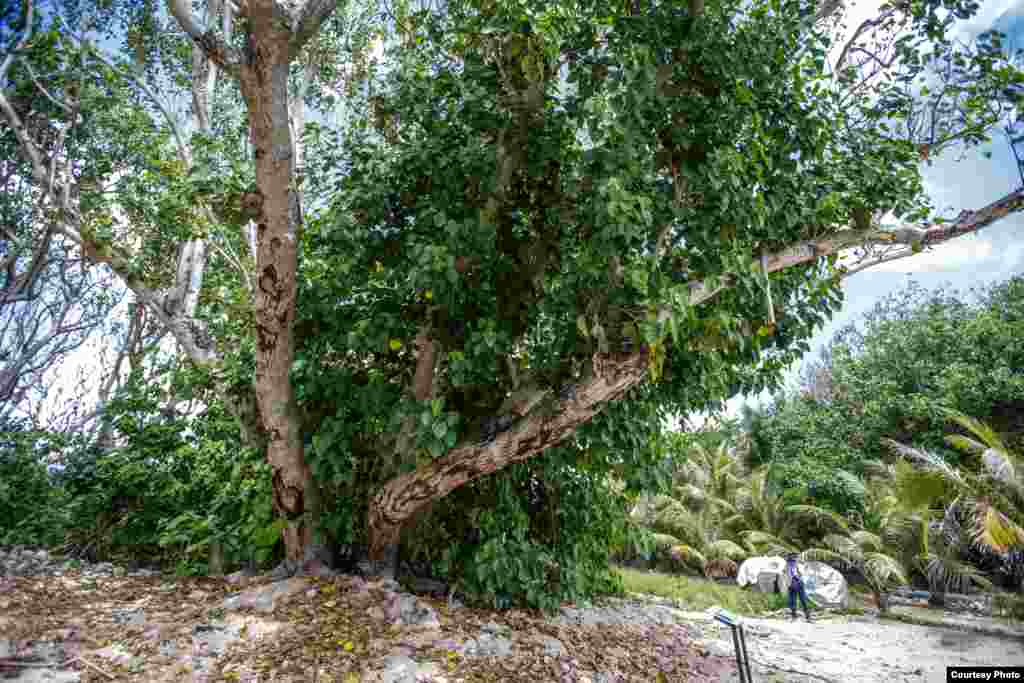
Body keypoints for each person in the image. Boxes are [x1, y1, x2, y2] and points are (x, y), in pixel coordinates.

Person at [786, 552, 813, 622]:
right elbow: (792, 574)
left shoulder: (793, 564)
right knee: (798, 600)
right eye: (793, 556)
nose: (794, 558)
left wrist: (796, 578)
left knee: (797, 600)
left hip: (796, 583)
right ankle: (805, 616)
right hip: (795, 583)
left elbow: (796, 574)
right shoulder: (790, 564)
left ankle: (802, 616)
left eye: (794, 556)